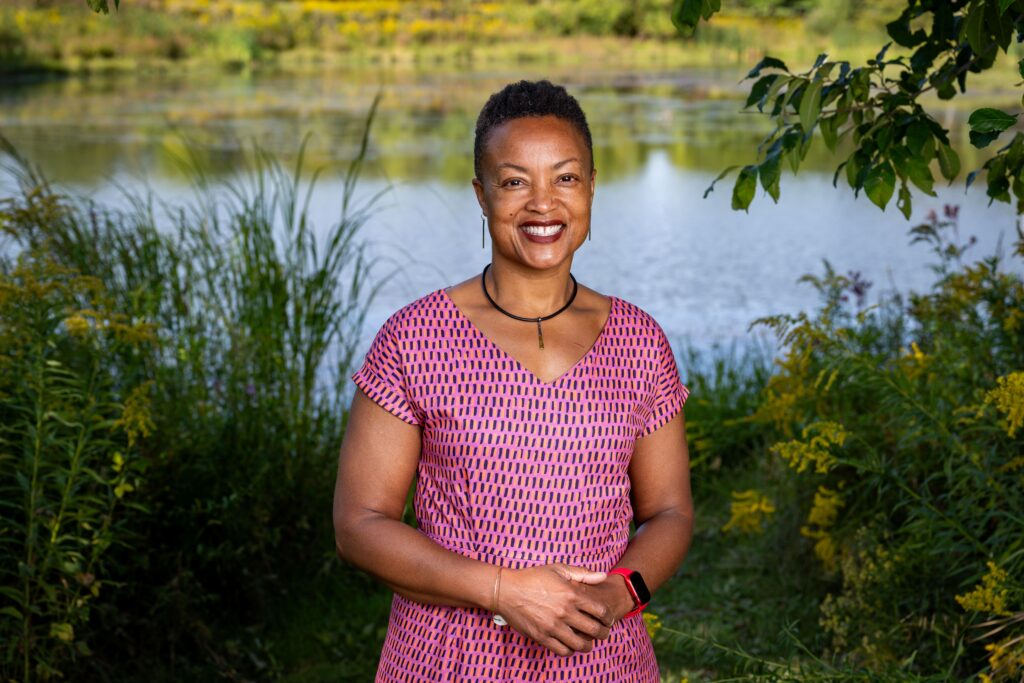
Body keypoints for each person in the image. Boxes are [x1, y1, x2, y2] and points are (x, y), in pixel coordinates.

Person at [333, 79, 693, 682]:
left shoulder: (639, 341)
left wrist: (616, 595)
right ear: (481, 194)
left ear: (593, 185)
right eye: (515, 181)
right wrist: (503, 591)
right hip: (447, 660)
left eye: (566, 177)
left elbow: (670, 513)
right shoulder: (415, 337)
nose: (543, 203)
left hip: (602, 659)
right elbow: (360, 525)